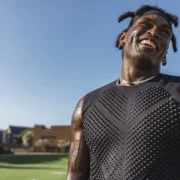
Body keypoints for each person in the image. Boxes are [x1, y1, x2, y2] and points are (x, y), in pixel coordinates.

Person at [66, 5, 180, 180]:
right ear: (123, 38)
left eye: (165, 32)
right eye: (146, 25)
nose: (155, 33)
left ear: (165, 51)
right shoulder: (86, 104)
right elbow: (75, 174)